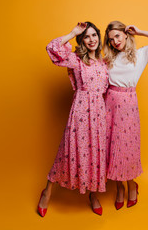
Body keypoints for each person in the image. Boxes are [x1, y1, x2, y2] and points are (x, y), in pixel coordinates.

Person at [37, 22, 109, 217]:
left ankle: (93, 195)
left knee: (96, 154)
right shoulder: (76, 60)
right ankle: (47, 192)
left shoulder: (105, 63)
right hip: (80, 110)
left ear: (99, 38)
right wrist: (72, 32)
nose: (92, 40)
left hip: (99, 114)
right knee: (67, 151)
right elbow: (52, 49)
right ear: (82, 41)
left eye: (94, 35)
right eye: (86, 36)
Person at [103, 21, 148, 210]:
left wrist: (139, 32)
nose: (115, 41)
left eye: (117, 36)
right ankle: (119, 188)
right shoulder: (108, 59)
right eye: (111, 39)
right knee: (112, 147)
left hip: (128, 103)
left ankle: (132, 184)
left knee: (127, 146)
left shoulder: (140, 55)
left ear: (125, 34)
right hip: (110, 103)